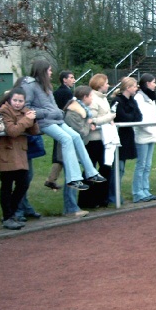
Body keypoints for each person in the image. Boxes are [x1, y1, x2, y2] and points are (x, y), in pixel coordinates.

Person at [20, 60, 104, 193]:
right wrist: (47, 113)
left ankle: (91, 172)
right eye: (49, 70)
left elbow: (53, 106)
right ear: (42, 71)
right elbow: (26, 107)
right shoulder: (29, 86)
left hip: (56, 119)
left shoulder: (47, 86)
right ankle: (73, 178)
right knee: (66, 139)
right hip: (43, 121)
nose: (51, 72)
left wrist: (58, 113)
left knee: (76, 136)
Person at [0, 88, 39, 230]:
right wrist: (27, 120)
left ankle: (12, 212)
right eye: (15, 100)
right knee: (7, 185)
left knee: (23, 183)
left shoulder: (26, 111)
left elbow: (35, 131)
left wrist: (33, 120)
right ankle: (8, 217)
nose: (17, 103)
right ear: (10, 100)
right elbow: (12, 131)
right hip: (6, 153)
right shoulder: (4, 111)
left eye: (20, 101)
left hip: (20, 153)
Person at [78, 74, 116, 209]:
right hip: (94, 139)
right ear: (100, 84)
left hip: (104, 138)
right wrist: (110, 117)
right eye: (106, 83)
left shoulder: (103, 98)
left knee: (105, 168)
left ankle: (100, 198)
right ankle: (87, 199)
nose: (108, 85)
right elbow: (91, 120)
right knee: (92, 169)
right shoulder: (93, 99)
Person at [60, 86, 96, 218]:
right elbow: (82, 132)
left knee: (75, 177)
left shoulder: (81, 112)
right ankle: (70, 208)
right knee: (72, 178)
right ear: (85, 97)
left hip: (76, 148)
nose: (92, 99)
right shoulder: (73, 114)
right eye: (90, 96)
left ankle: (72, 207)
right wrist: (88, 123)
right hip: (71, 150)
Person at [108, 77, 141, 205]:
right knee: (118, 167)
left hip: (127, 137)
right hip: (118, 137)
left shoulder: (132, 101)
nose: (137, 88)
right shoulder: (117, 101)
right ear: (128, 87)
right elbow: (121, 117)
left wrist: (130, 117)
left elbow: (138, 117)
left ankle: (115, 193)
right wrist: (131, 117)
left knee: (121, 168)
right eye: (135, 86)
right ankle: (113, 195)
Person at [43, 70, 76, 191]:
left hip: (56, 123)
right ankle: (51, 180)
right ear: (64, 80)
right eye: (71, 77)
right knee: (61, 154)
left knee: (59, 154)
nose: (73, 80)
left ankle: (51, 179)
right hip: (62, 124)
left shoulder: (57, 92)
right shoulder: (67, 93)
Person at [132, 73, 156, 203]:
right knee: (141, 165)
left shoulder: (151, 97)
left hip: (152, 134)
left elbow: (154, 115)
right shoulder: (139, 98)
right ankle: (137, 192)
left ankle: (145, 189)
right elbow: (141, 118)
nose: (155, 84)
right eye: (154, 82)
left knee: (147, 165)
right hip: (143, 135)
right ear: (148, 83)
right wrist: (150, 130)